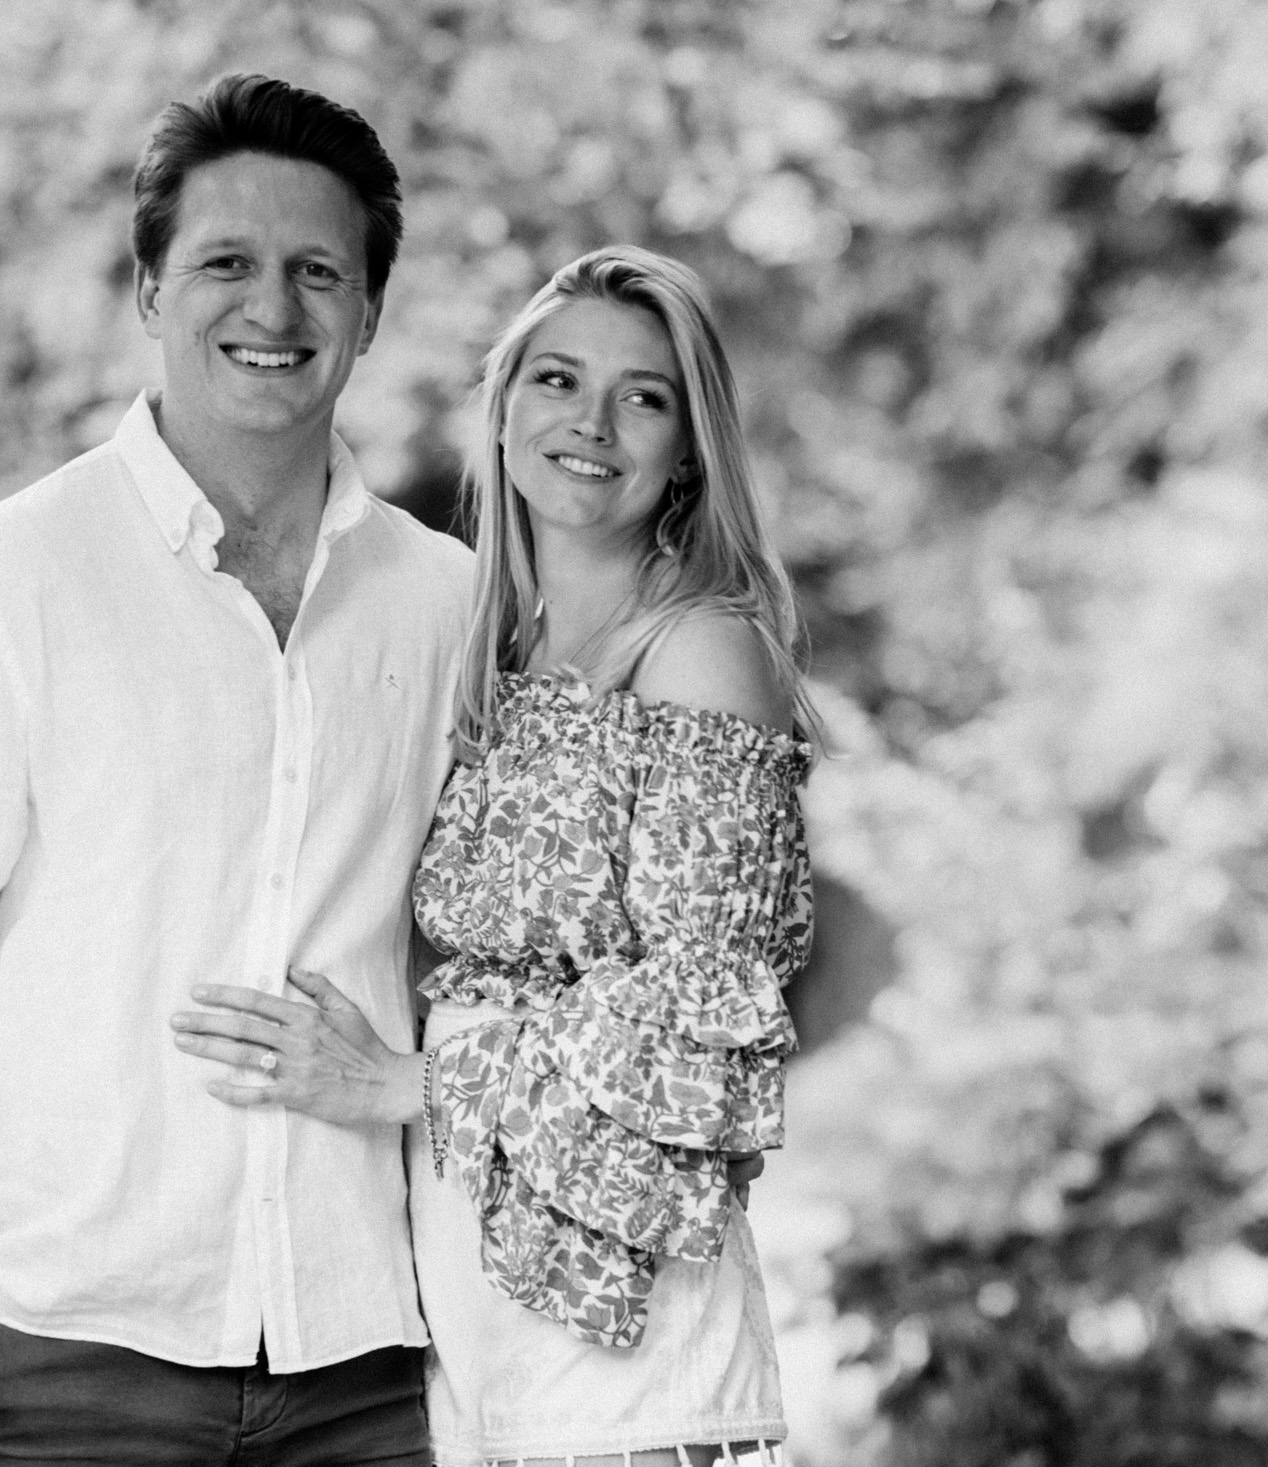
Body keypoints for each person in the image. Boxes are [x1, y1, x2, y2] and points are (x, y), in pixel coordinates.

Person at [0, 73, 472, 1464]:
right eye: (227, 262)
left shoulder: (450, 605)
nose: (273, 310)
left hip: (369, 1360)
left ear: (370, 310)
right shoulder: (10, 580)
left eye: (317, 272)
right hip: (64, 1360)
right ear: (149, 291)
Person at [172, 246, 816, 1467]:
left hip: (633, 1357)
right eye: (558, 381)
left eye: (645, 395)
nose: (592, 422)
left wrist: (408, 1086)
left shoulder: (698, 654)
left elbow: (706, 1021)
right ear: (505, 408)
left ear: (689, 445)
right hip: (475, 1324)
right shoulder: (488, 644)